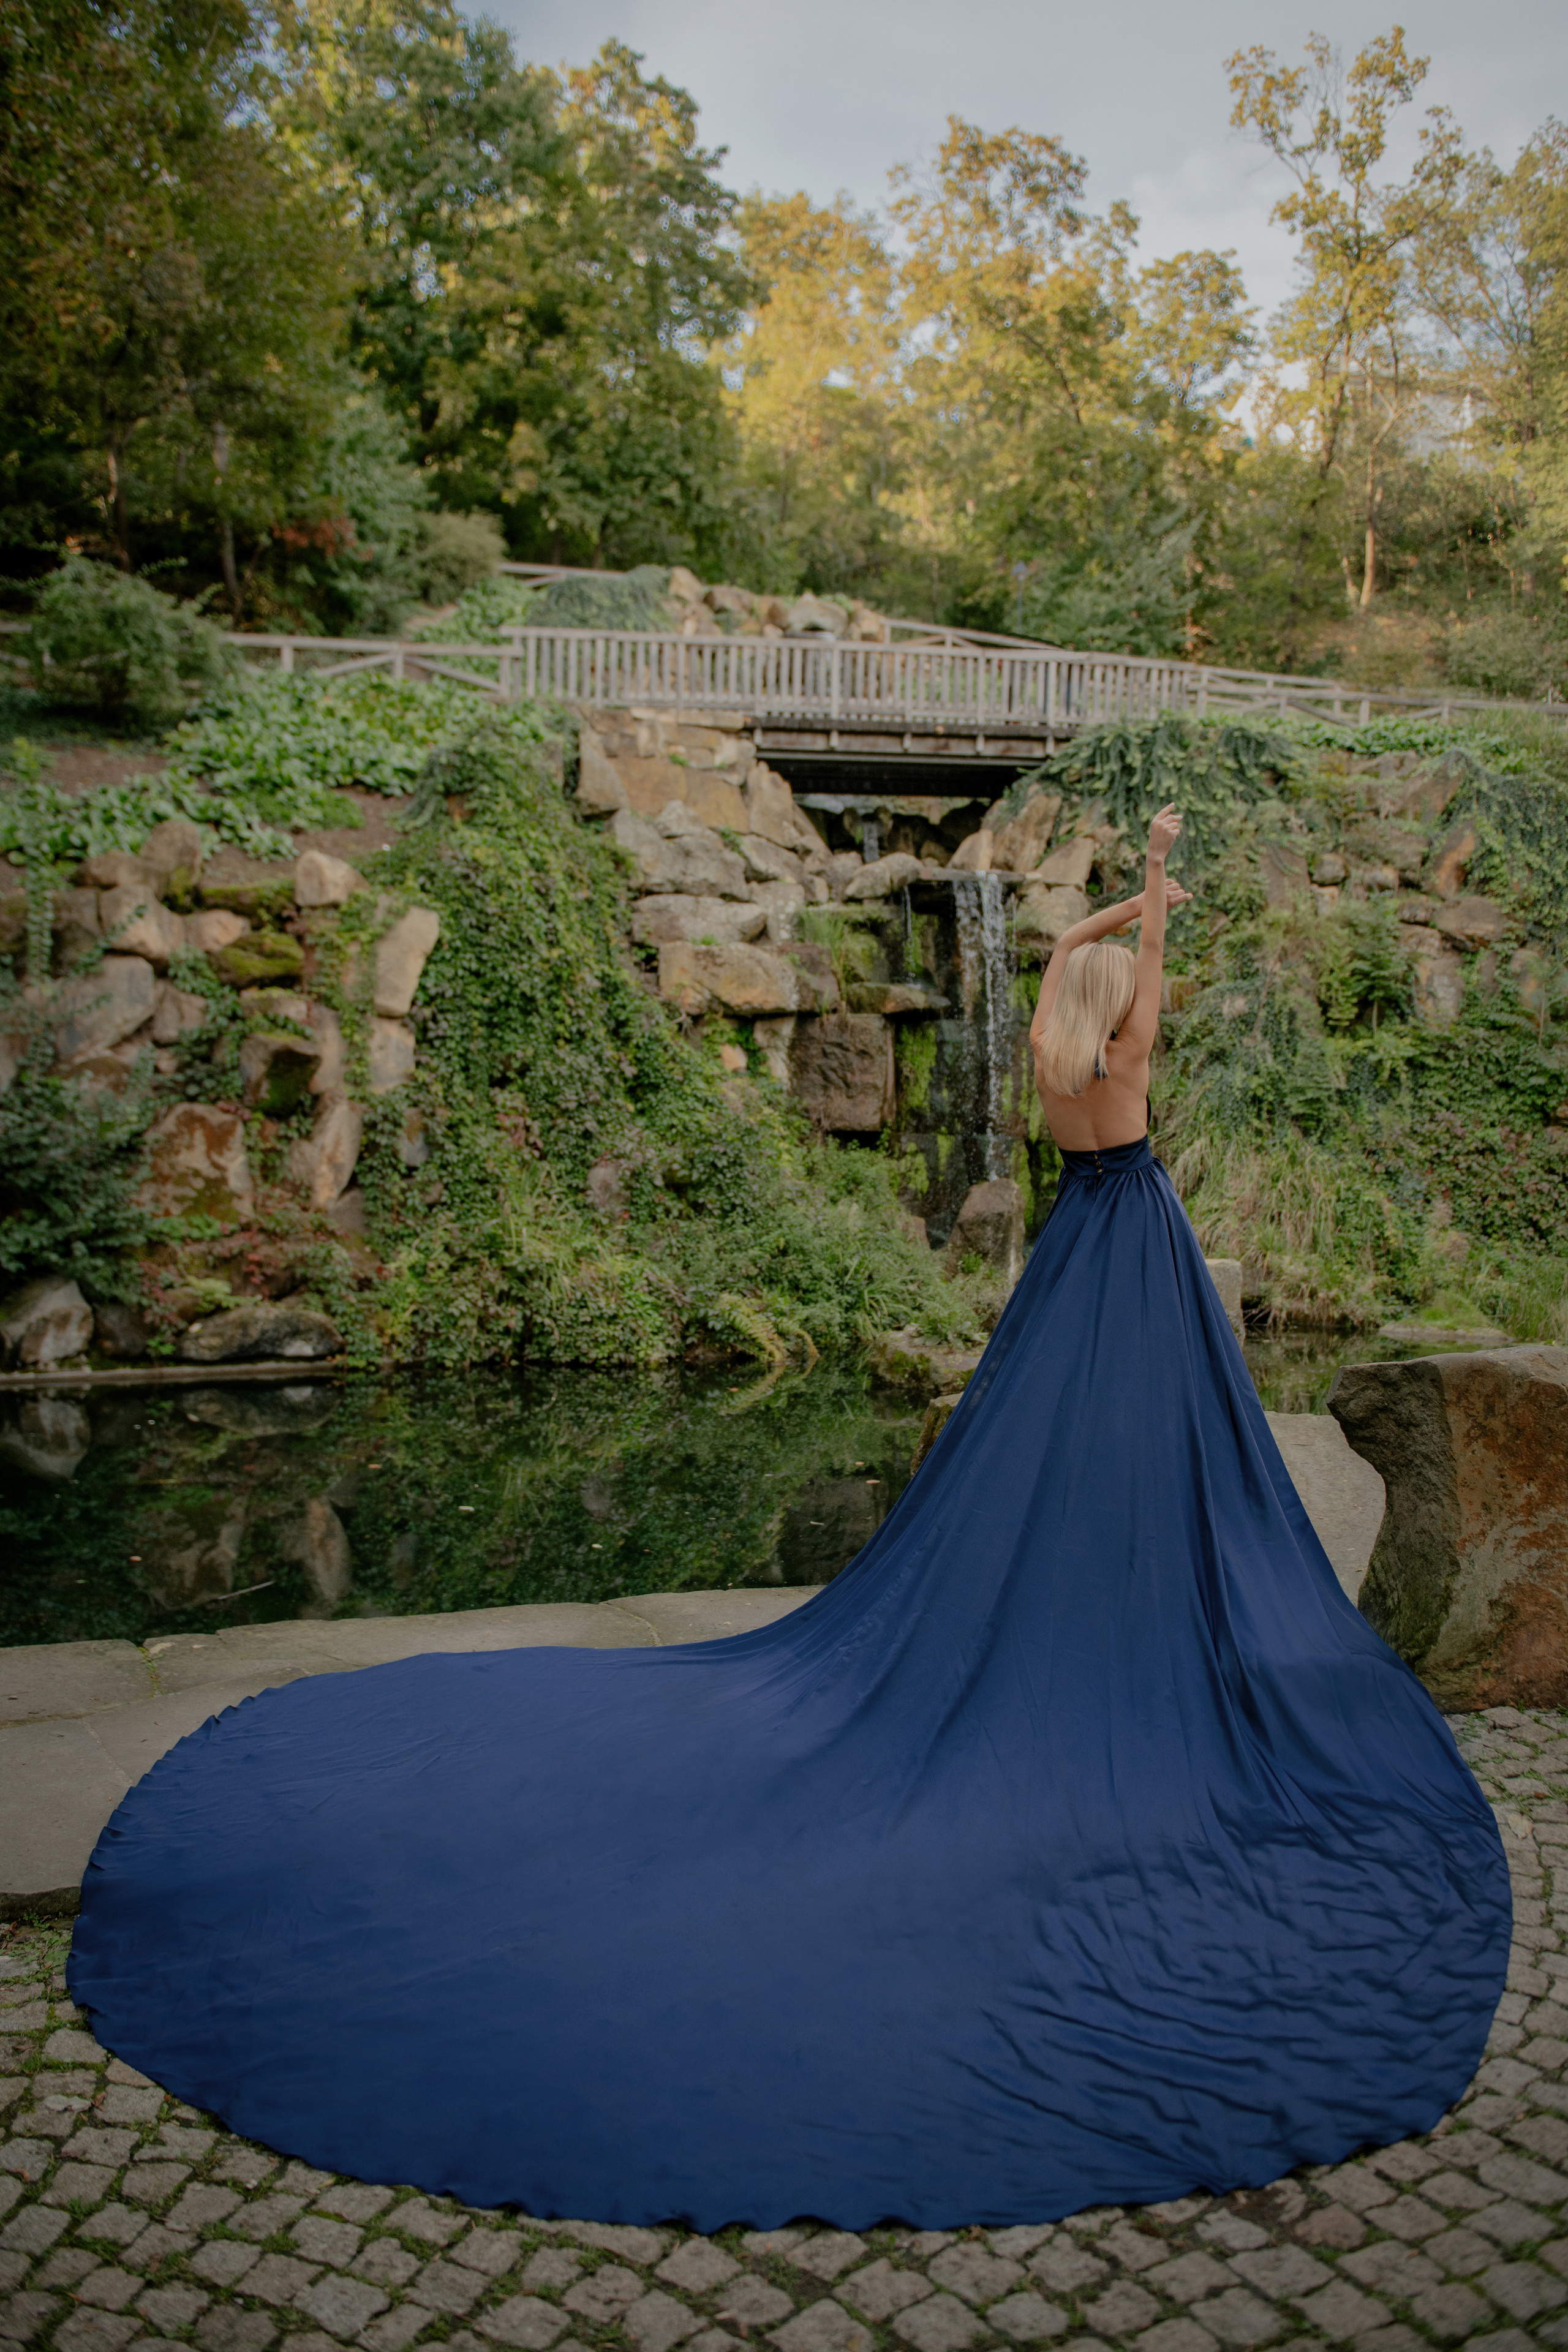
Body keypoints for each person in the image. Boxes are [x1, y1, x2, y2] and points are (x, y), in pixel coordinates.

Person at [70, 806, 1510, 2234]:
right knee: (1156, 1451)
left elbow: (1080, 965)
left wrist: (1108, 920)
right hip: (1136, 1260)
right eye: (1129, 989)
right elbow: (1155, 999)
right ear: (1119, 1009)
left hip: (1073, 1249)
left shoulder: (1059, 1063)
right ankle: (1138, 1632)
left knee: (1050, 1455)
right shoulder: (1127, 1052)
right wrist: (1156, 898)